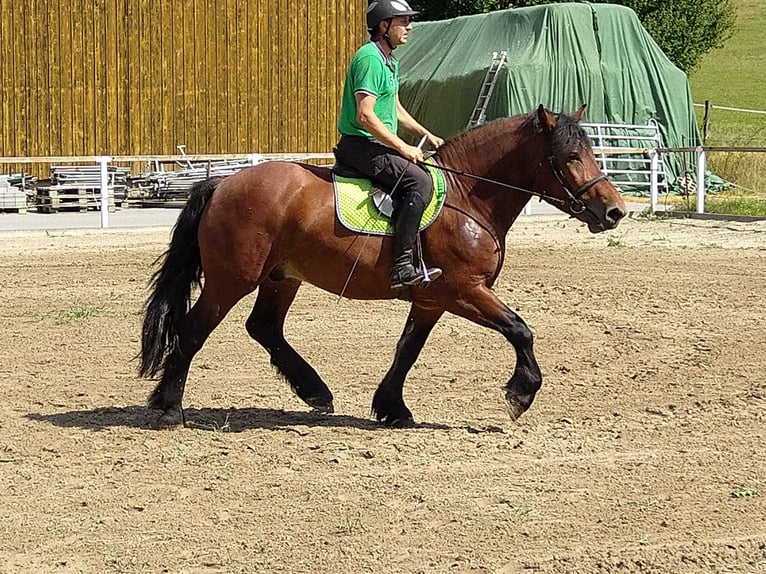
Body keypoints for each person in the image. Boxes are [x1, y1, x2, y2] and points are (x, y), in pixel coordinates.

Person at [335, 0, 444, 290]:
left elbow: (393, 108)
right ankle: (401, 267)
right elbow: (365, 115)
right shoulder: (369, 59)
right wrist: (403, 147)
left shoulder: (389, 61)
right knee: (420, 183)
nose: (409, 27)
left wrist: (425, 132)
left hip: (375, 145)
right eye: (402, 21)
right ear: (383, 26)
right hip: (362, 146)